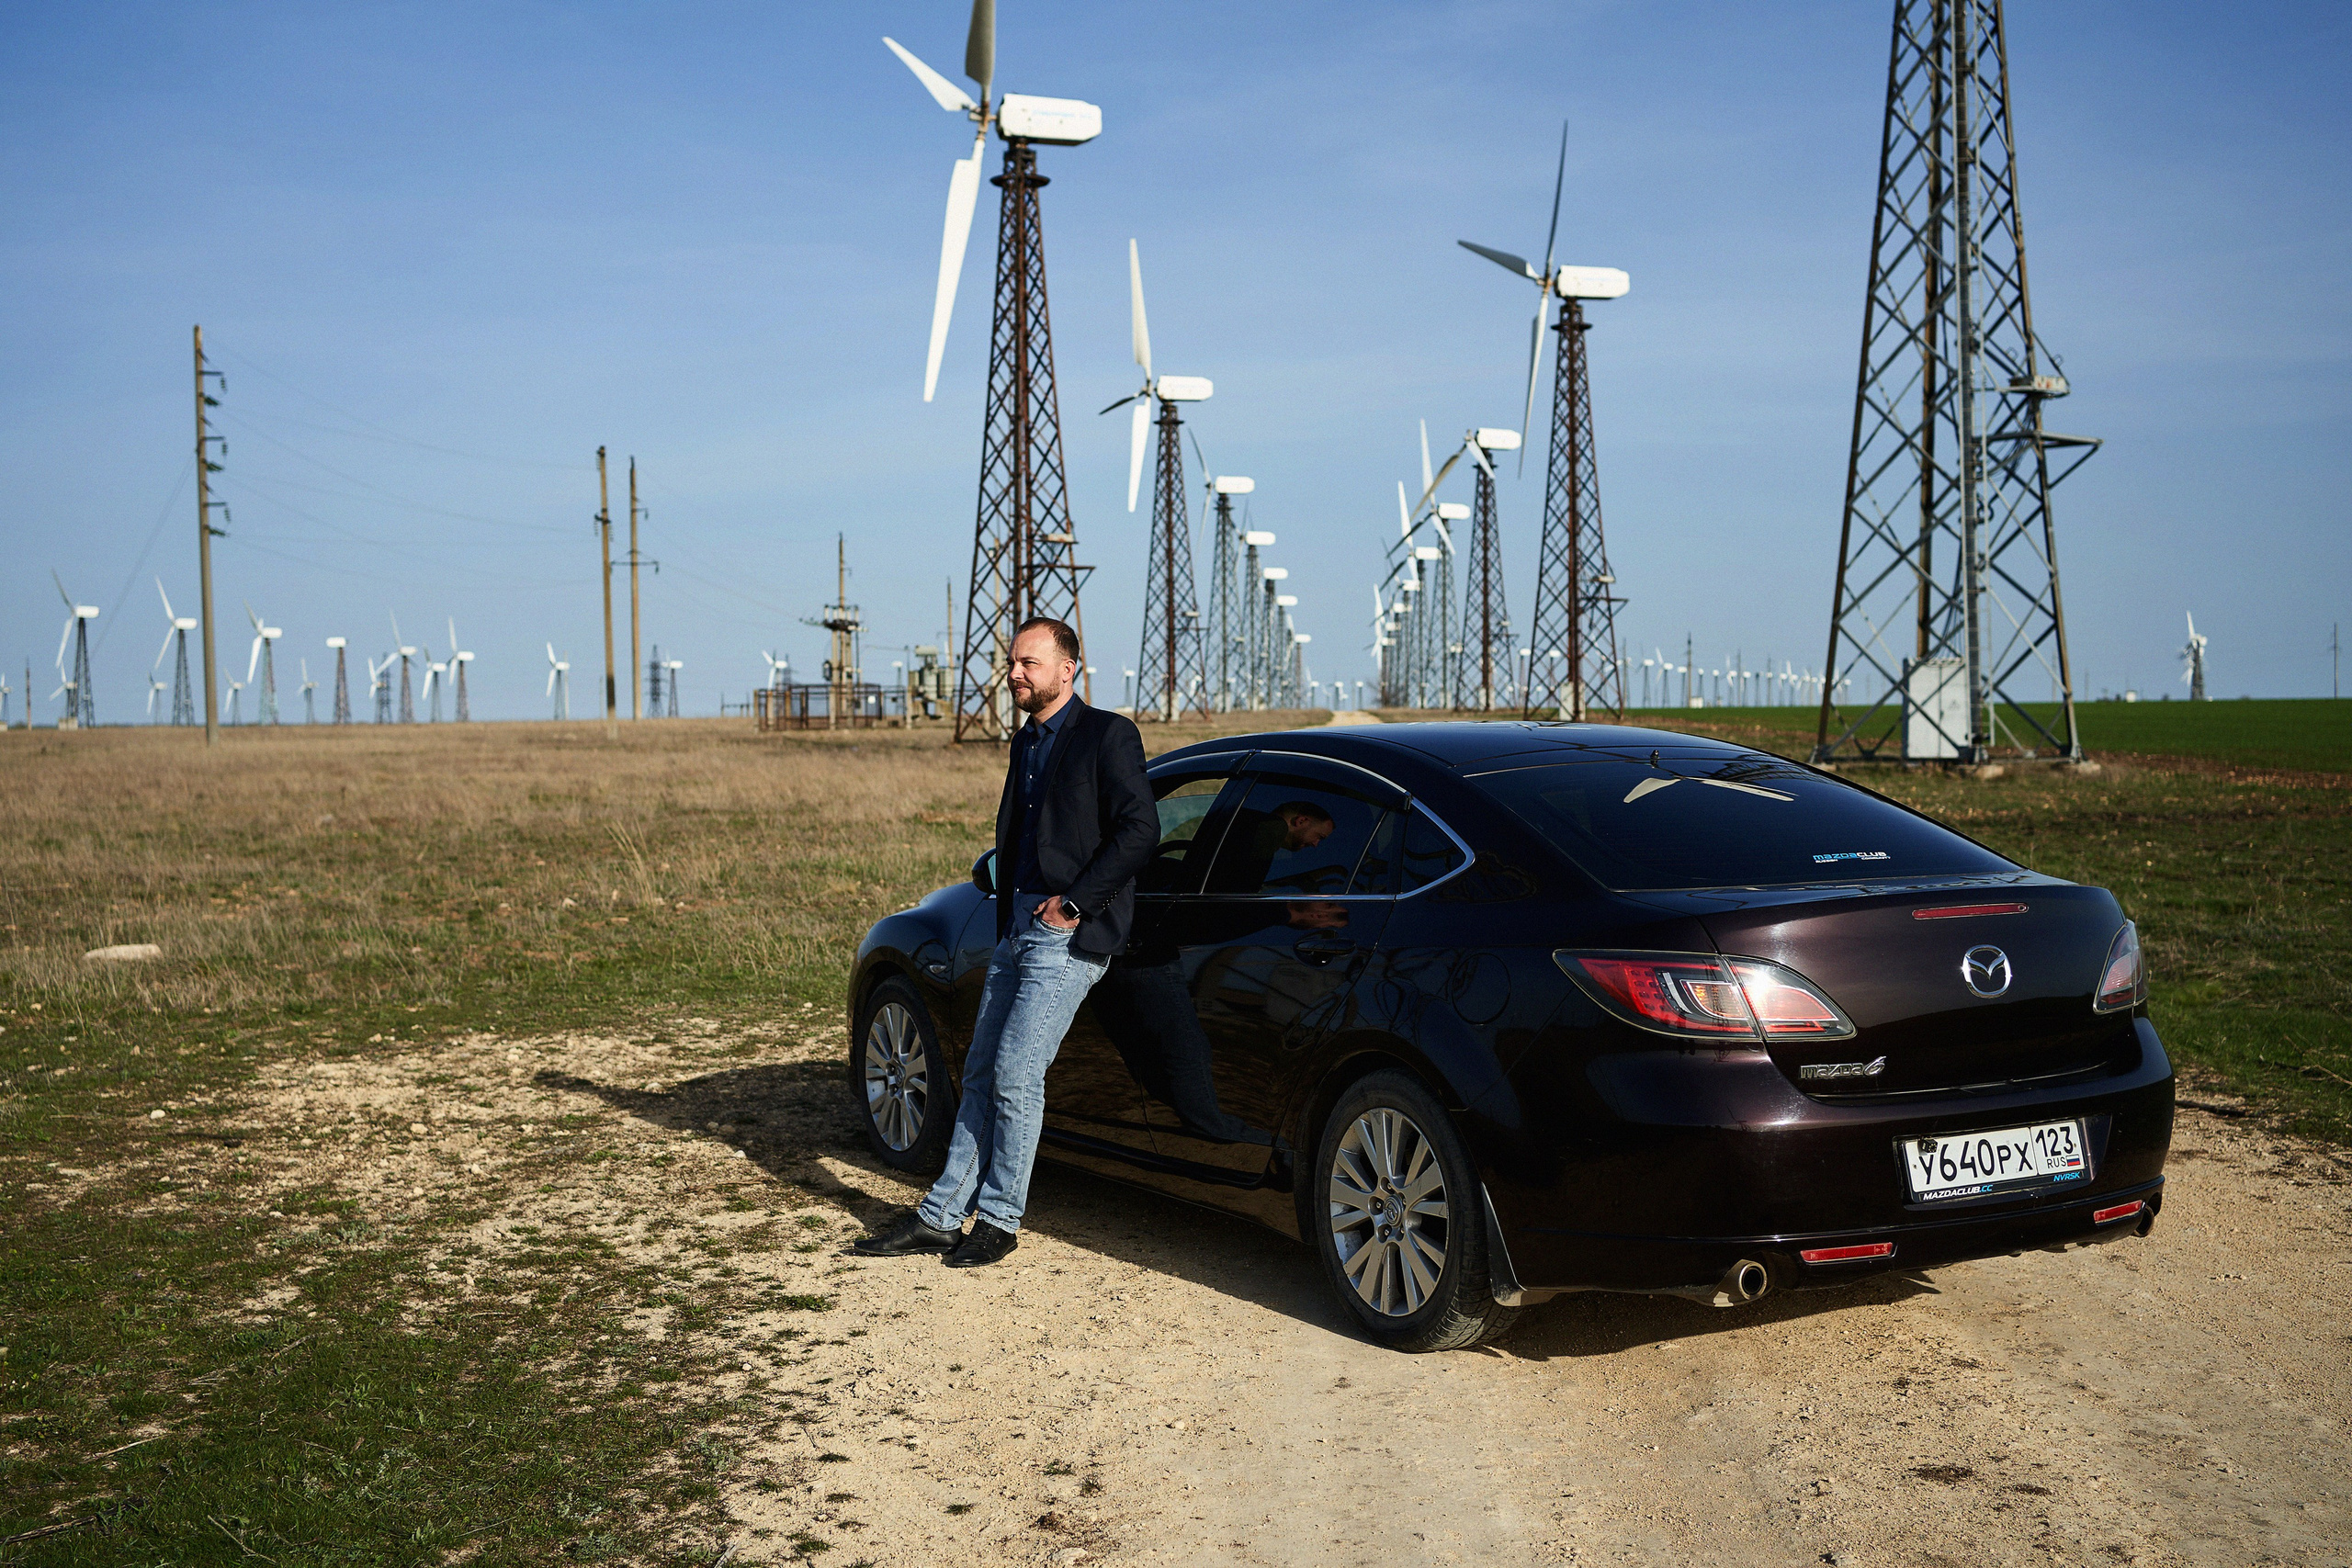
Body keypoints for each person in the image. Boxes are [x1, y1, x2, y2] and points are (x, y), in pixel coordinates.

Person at [855, 616, 1156, 1268]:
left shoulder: (1108, 735)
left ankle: (1000, 1216)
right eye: (1012, 662)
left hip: (1066, 933)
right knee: (984, 1070)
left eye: (1029, 663)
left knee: (1018, 1072)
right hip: (1015, 926)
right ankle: (940, 1215)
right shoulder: (1026, 741)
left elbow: (1140, 830)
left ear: (1068, 669)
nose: (1014, 673)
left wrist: (1074, 901)